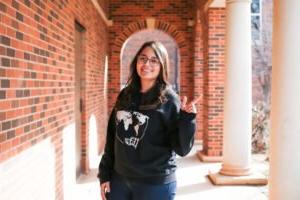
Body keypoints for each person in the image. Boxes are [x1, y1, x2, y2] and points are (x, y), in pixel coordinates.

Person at [98, 41, 199, 200]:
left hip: (155, 184)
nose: (146, 64)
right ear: (136, 61)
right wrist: (104, 174)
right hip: (119, 180)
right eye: (143, 58)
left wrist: (188, 119)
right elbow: (112, 137)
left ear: (162, 65)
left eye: (154, 60)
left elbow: (182, 149)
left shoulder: (169, 100)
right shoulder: (125, 95)